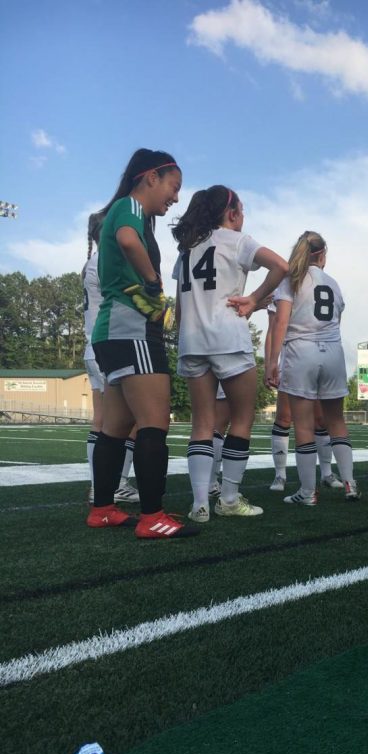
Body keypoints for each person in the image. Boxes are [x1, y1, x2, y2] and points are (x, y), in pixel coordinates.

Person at [87, 148, 197, 539]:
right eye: (174, 186)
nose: (176, 196)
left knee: (116, 427)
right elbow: (129, 241)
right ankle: (153, 517)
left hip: (113, 333)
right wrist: (153, 281)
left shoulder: (123, 209)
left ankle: (102, 509)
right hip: (131, 331)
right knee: (155, 423)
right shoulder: (131, 208)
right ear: (151, 177)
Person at [171, 184, 288, 522]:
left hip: (192, 341)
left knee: (202, 424)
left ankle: (199, 505)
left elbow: (180, 307)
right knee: (242, 419)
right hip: (228, 337)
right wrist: (253, 299)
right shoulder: (236, 240)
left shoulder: (187, 250)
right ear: (232, 213)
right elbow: (281, 266)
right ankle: (230, 499)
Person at [264, 230, 359, 505]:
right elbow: (336, 322)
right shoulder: (333, 282)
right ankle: (350, 484)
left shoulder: (290, 280)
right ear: (322, 255)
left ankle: (307, 492)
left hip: (301, 350)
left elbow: (280, 322)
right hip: (332, 351)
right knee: (336, 422)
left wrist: (272, 361)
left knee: (303, 425)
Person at [82, 211, 140, 505]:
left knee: (102, 419)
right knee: (126, 420)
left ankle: (102, 485)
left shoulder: (91, 262)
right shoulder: (104, 262)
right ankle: (113, 483)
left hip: (92, 347)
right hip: (108, 345)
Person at [265, 306, 342, 492]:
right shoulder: (284, 287)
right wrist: (270, 363)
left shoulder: (324, 284)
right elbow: (273, 328)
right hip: (292, 355)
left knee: (321, 419)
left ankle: (326, 473)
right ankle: (280, 475)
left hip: (319, 355)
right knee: (284, 416)